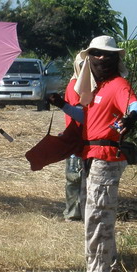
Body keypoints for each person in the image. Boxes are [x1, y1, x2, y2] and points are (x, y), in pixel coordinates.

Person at [47, 36, 137, 272]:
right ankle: (106, 263)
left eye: (106, 54)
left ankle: (98, 271)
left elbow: (136, 106)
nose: (100, 58)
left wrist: (131, 118)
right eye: (96, 53)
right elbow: (85, 119)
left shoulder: (118, 84)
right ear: (88, 56)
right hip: (90, 157)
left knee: (98, 214)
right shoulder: (93, 88)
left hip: (106, 157)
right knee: (96, 212)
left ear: (115, 58)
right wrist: (62, 106)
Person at [62, 54, 86, 220]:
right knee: (74, 176)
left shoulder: (82, 86)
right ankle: (73, 212)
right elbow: (80, 113)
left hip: (82, 137)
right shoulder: (75, 86)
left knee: (79, 176)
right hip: (75, 137)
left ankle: (78, 211)